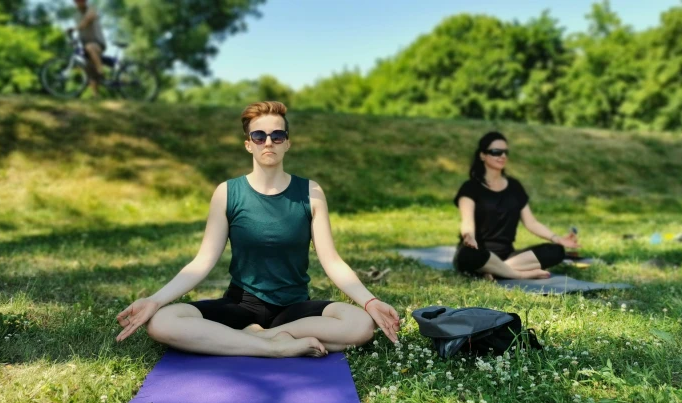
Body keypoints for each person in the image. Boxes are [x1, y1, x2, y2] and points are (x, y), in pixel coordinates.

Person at [114, 101, 401, 357]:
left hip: (294, 309)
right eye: (259, 136)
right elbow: (203, 261)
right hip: (241, 306)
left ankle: (255, 339)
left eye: (277, 136)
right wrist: (155, 300)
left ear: (287, 143)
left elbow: (332, 261)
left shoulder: (310, 192)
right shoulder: (227, 193)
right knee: (162, 322)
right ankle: (272, 345)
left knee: (362, 325)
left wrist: (370, 301)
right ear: (248, 144)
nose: (268, 142)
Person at [453, 131, 580, 280]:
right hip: (479, 252)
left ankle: (495, 271)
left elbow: (531, 222)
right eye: (496, 152)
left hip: (508, 255)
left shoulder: (514, 187)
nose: (503, 156)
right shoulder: (470, 187)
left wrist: (557, 238)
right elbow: (467, 221)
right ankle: (516, 273)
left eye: (505, 152)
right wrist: (469, 237)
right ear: (482, 155)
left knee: (556, 251)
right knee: (468, 255)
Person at [71, 0, 107, 96]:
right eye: (78, 1)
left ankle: (101, 72)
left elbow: (87, 19)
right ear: (75, 2)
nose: (80, 2)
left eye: (82, 0)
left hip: (98, 43)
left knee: (90, 47)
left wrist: (74, 28)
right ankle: (95, 95)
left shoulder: (92, 8)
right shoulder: (76, 15)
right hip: (85, 44)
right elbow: (81, 30)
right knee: (88, 67)